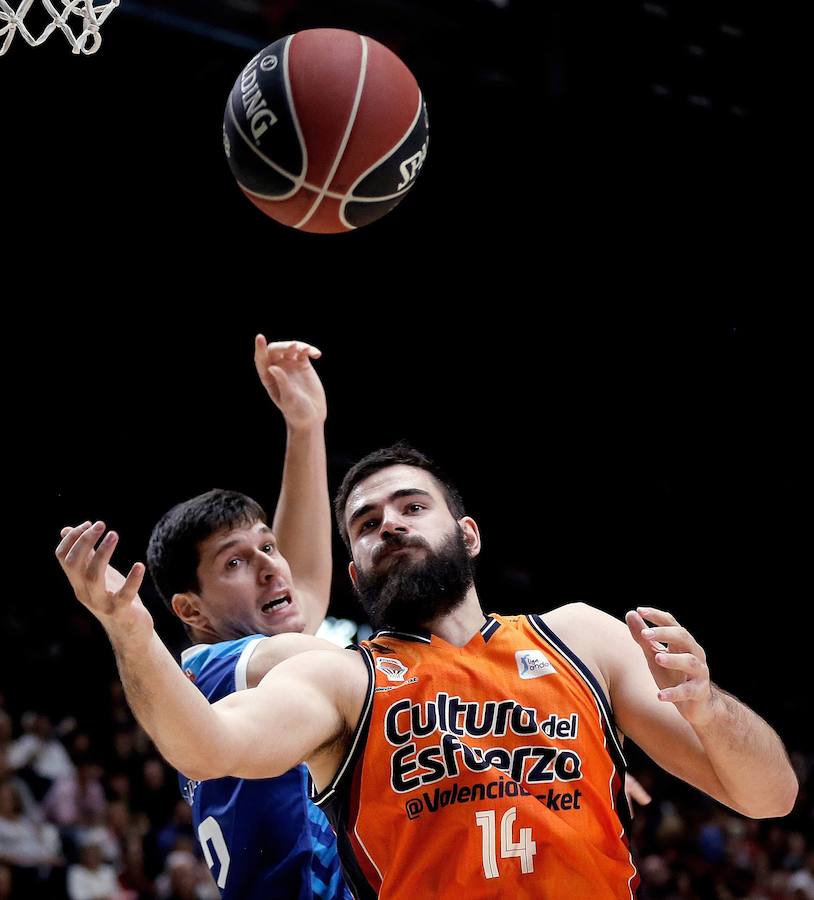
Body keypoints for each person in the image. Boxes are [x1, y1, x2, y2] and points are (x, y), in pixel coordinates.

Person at [56, 443, 798, 899]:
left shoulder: (582, 637)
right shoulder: (342, 680)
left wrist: (707, 707)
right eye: (368, 523)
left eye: (411, 505)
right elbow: (209, 746)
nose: (391, 525)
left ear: (467, 533)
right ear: (354, 568)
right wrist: (129, 630)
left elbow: (770, 797)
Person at [92, 338, 348, 900]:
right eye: (235, 561)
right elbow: (344, 666)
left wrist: (305, 427)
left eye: (269, 546)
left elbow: (298, 586)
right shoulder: (224, 665)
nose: (268, 567)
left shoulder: (244, 666)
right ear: (190, 610)